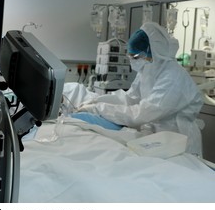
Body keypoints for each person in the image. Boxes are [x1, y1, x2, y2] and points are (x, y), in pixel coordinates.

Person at [75, 22, 203, 156]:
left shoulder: (173, 76)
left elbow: (143, 113)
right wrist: (96, 101)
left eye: (135, 57)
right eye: (130, 56)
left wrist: (100, 109)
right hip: (156, 139)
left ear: (154, 51)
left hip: (178, 140)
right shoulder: (147, 68)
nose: (132, 60)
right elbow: (129, 98)